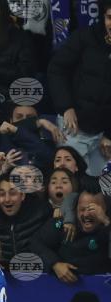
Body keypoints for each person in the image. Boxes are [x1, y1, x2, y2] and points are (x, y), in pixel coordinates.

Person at [48, 0, 111, 175]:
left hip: (104, 133)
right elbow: (57, 69)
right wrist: (66, 107)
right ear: (103, 17)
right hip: (74, 127)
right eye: (109, 18)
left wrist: (110, 134)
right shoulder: (85, 36)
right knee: (71, 180)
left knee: (102, 187)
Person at [30, 190, 111, 283]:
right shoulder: (65, 225)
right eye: (82, 209)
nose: (86, 214)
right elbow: (35, 241)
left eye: (92, 210)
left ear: (104, 209)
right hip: (65, 285)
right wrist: (54, 263)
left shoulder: (107, 226)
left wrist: (107, 223)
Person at [0, 173, 51, 265]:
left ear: (23, 195)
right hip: (2, 272)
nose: (7, 199)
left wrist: (54, 263)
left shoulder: (41, 213)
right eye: (2, 194)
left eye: (12, 193)